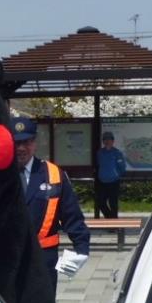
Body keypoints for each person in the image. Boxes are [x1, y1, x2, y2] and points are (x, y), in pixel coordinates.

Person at [11, 117, 90, 293]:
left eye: (26, 142)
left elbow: (71, 215)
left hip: (43, 258)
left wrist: (82, 248)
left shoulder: (53, 174)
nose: (21, 148)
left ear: (35, 143)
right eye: (16, 143)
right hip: (8, 258)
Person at [95, 130, 127, 219]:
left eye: (109, 139)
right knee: (100, 203)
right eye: (105, 139)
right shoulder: (99, 153)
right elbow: (98, 165)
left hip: (114, 182)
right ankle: (110, 218)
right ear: (103, 141)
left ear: (113, 141)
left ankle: (113, 222)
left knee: (113, 204)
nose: (107, 141)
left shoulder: (117, 153)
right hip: (102, 182)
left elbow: (122, 167)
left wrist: (117, 175)